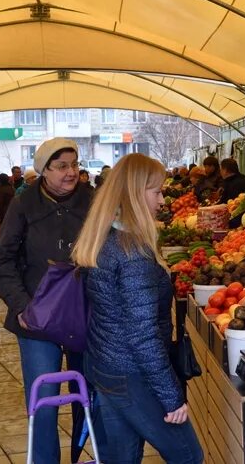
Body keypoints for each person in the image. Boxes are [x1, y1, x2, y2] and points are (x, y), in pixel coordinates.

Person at [71, 154, 203, 463]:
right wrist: (171, 398)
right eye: (156, 191)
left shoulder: (105, 238)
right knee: (188, 455)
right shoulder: (133, 255)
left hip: (105, 367)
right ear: (134, 194)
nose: (161, 200)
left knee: (121, 459)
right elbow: (143, 336)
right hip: (132, 375)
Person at [0, 138, 95, 464]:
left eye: (74, 165)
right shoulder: (24, 205)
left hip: (86, 316)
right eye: (61, 166)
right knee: (43, 403)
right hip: (38, 321)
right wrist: (22, 307)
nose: (70, 172)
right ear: (44, 170)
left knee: (91, 400)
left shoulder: (93, 200)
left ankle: (84, 456)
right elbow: (2, 261)